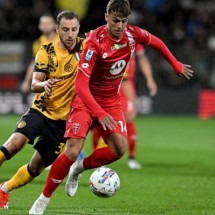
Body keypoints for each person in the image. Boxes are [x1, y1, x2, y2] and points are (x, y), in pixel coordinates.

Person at [29, 0, 193, 214]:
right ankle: (42, 200)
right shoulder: (94, 42)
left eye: (124, 21)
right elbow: (80, 85)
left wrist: (175, 63)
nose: (120, 26)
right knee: (72, 151)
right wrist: (99, 112)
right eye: (115, 21)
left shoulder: (132, 34)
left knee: (119, 150)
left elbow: (156, 42)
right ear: (106, 17)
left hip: (111, 101)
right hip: (86, 101)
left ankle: (79, 169)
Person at [0, 10, 84, 209]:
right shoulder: (46, 50)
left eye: (74, 30)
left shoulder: (87, 47)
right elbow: (34, 83)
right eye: (65, 30)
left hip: (64, 123)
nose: (70, 34)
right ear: (57, 29)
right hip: (41, 111)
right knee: (13, 145)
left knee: (36, 168)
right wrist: (43, 84)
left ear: (78, 30)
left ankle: (3, 190)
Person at [91, 44, 158, 169]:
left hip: (126, 83)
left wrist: (149, 79)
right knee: (101, 120)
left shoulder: (134, 40)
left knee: (129, 118)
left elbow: (142, 59)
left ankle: (131, 157)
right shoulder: (107, 40)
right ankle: (97, 158)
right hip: (109, 82)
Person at [20, 14, 58, 93]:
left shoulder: (62, 40)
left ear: (54, 25)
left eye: (48, 23)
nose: (46, 26)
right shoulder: (38, 43)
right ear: (39, 26)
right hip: (46, 81)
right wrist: (27, 81)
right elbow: (34, 62)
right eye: (43, 24)